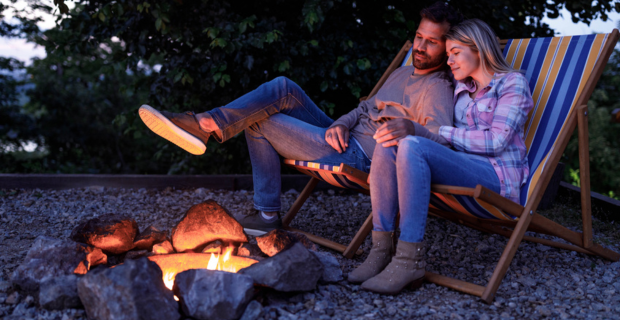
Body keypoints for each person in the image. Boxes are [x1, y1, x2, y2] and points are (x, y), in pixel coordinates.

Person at [138, 3, 463, 235]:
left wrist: (406, 128)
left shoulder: (438, 88)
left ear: (447, 46)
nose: (420, 46)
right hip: (342, 135)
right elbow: (365, 108)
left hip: (363, 156)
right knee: (283, 87)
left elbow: (435, 138)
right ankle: (208, 124)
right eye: (419, 36)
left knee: (258, 120)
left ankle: (262, 206)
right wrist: (341, 122)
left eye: (431, 41)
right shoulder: (404, 70)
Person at [348, 19, 534, 295]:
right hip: (463, 167)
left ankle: (409, 259)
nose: (449, 61)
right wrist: (414, 130)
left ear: (479, 50)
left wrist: (435, 132)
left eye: (455, 53)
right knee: (392, 141)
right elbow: (439, 138)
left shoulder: (511, 84)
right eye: (448, 55)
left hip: (495, 177)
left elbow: (496, 141)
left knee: (412, 144)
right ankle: (380, 249)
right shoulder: (459, 92)